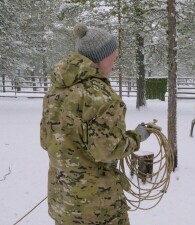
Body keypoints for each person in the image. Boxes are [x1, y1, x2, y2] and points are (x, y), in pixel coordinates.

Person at [40, 23, 150, 225]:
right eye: (113, 58)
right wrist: (136, 136)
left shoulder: (54, 92)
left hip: (62, 202)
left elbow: (46, 141)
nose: (114, 64)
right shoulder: (101, 97)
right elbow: (108, 151)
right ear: (100, 58)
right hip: (98, 209)